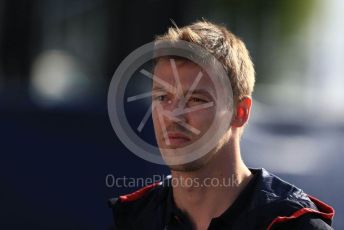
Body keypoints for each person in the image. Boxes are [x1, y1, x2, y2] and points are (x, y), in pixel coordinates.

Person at [109, 20, 334, 229]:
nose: (173, 115)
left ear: (240, 112)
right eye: (162, 98)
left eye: (196, 100)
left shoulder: (290, 224)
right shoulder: (133, 218)